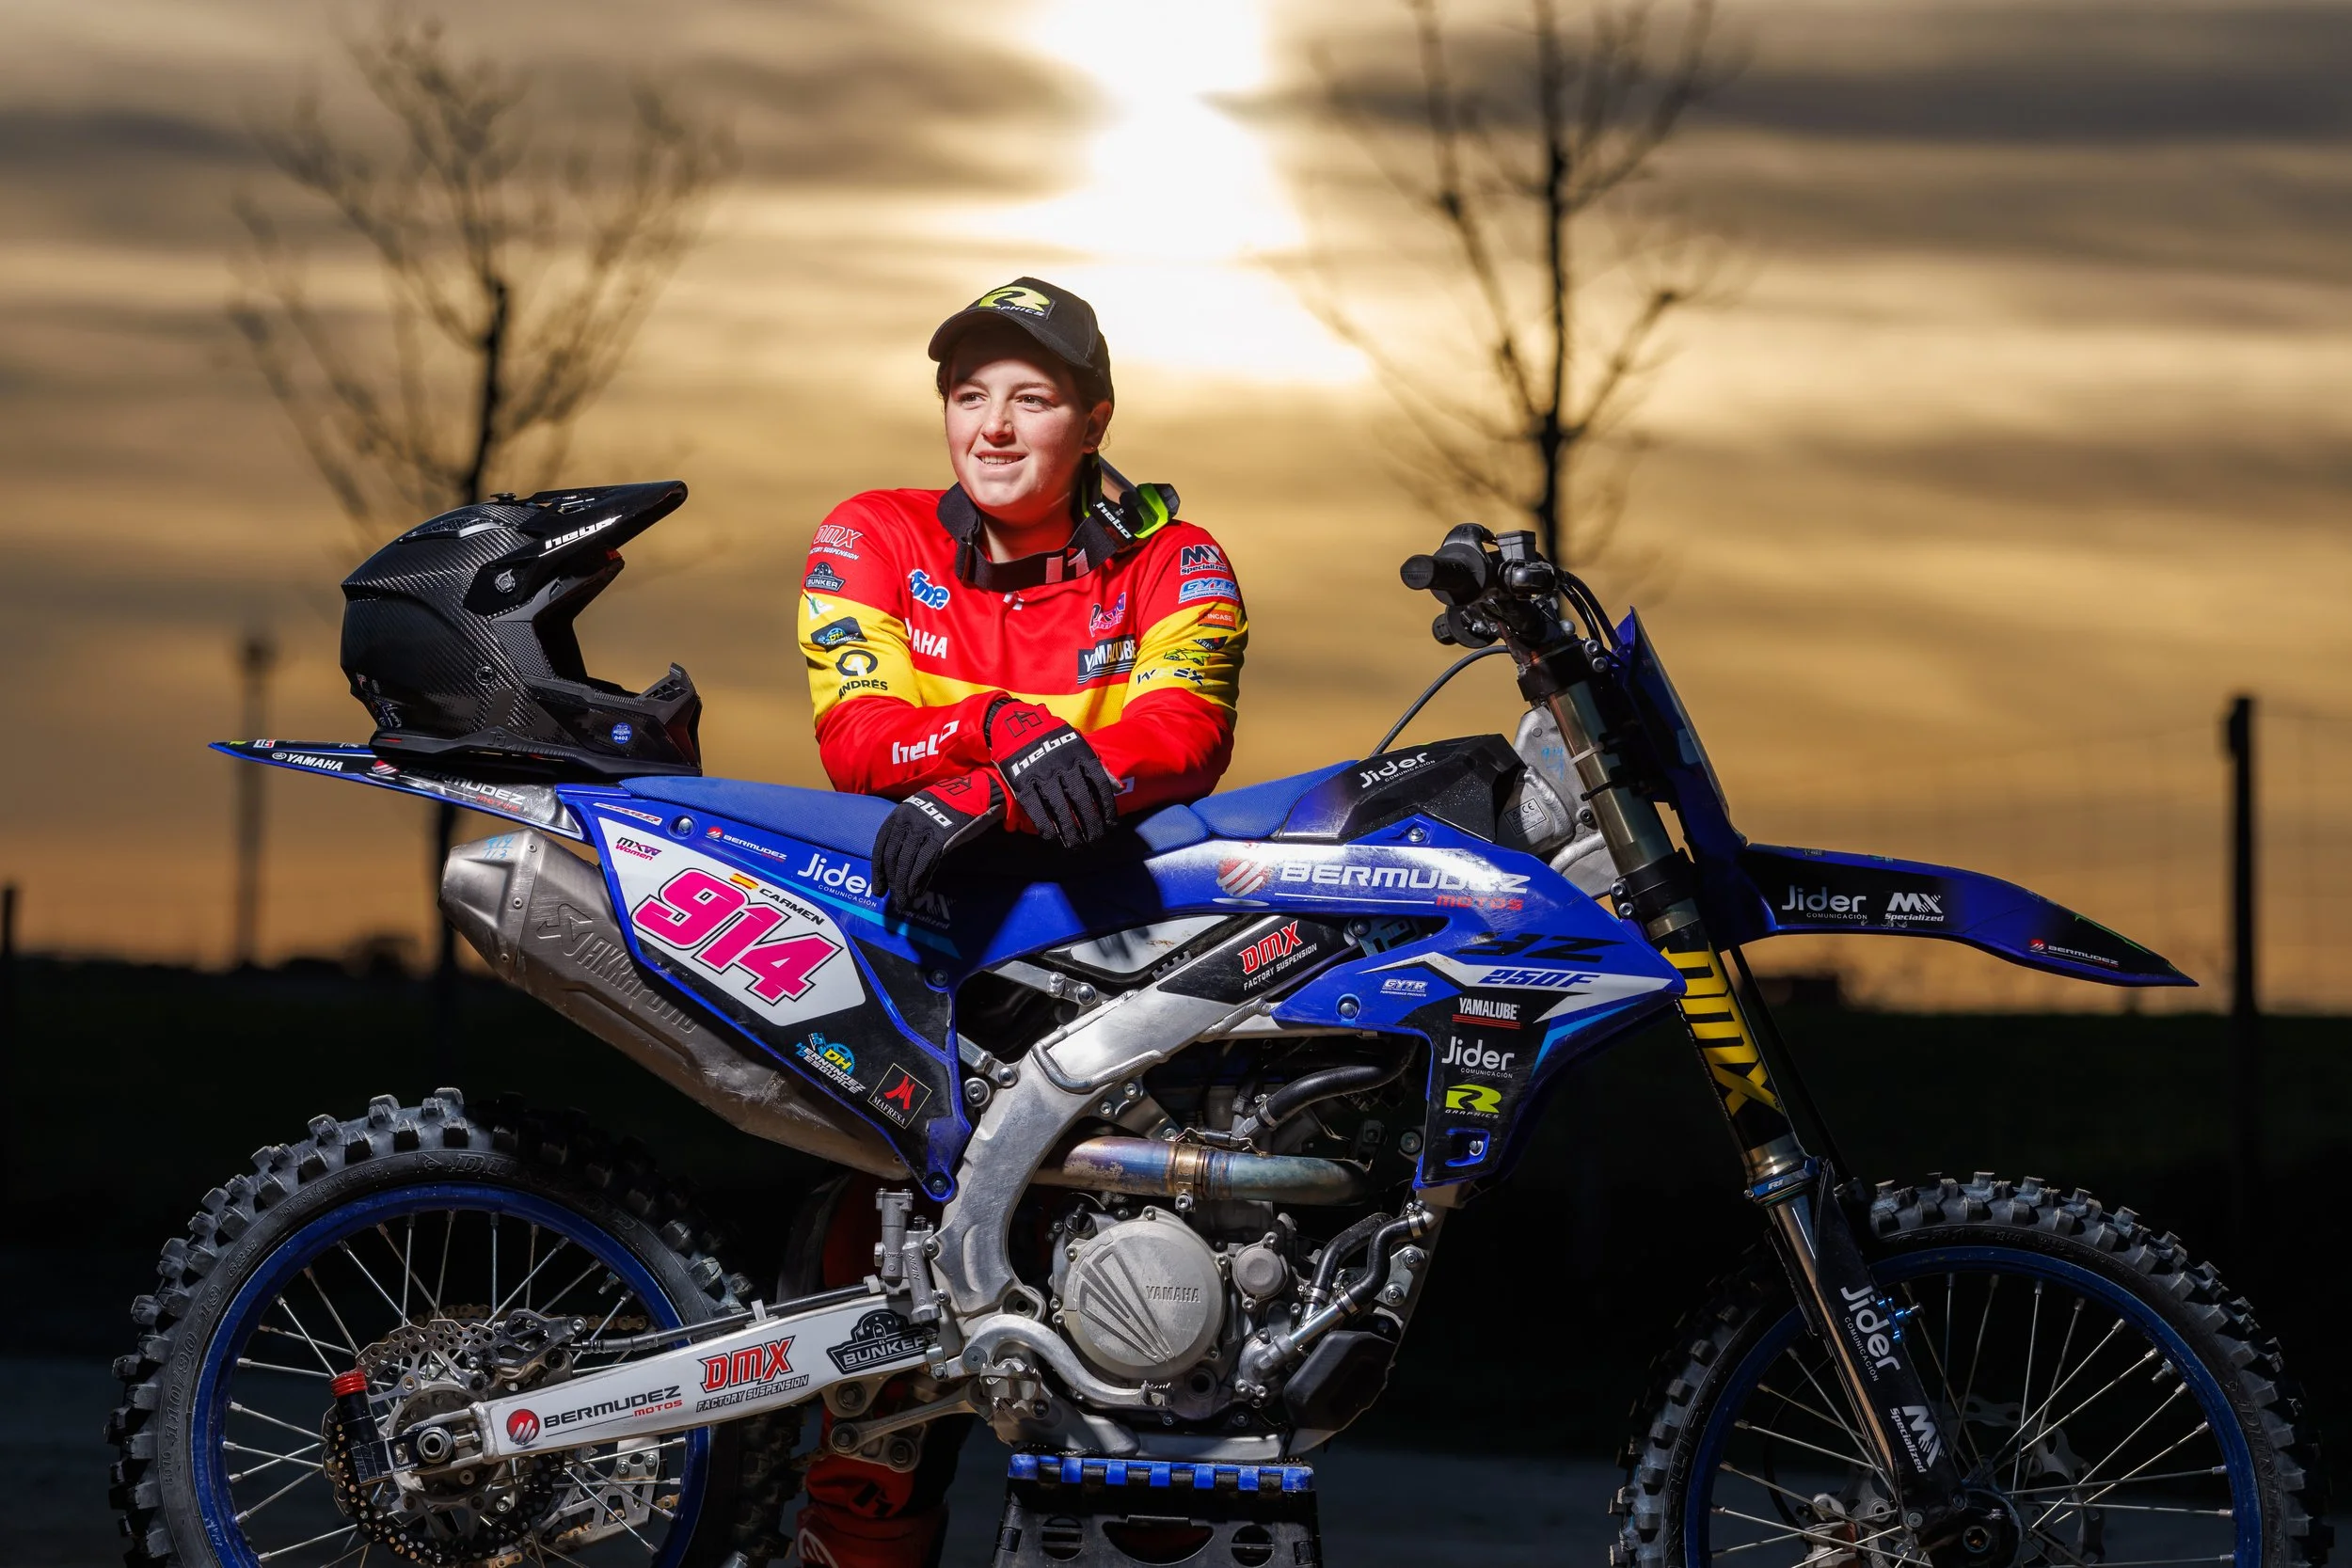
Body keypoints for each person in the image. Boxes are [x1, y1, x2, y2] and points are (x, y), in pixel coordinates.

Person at [787, 277, 1248, 1567]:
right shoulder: (869, 536)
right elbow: (856, 733)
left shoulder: (1178, 556)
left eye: (1031, 398)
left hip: (1122, 991)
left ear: (1093, 418)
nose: (991, 426)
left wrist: (989, 796)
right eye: (967, 393)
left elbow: (1183, 732)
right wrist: (1007, 732)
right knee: (875, 1287)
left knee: (1155, 1388)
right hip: (934, 979)